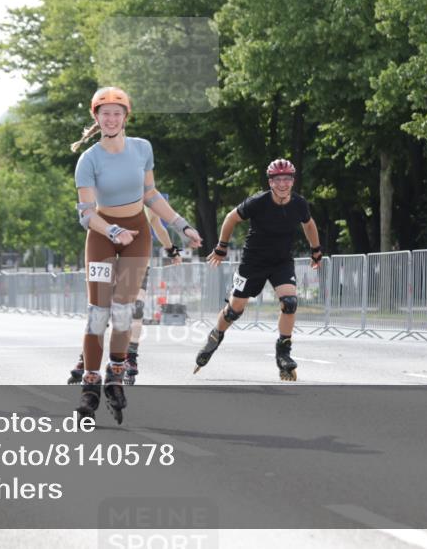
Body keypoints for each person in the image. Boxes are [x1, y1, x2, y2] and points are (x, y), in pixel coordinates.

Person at [72, 86, 202, 423]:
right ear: (96, 118)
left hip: (137, 236)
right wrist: (113, 230)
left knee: (122, 310)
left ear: (125, 117)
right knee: (97, 314)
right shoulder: (88, 159)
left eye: (117, 113)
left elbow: (150, 194)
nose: (111, 119)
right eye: (105, 113)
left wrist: (181, 226)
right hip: (103, 235)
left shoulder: (142, 148)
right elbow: (86, 214)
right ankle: (90, 384)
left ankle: (115, 375)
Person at [197, 158, 322, 381]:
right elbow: (230, 218)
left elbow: (309, 224)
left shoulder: (299, 203)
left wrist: (316, 250)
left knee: (290, 302)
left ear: (293, 181)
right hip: (253, 262)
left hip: (281, 262)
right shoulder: (258, 201)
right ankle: (216, 334)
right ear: (270, 182)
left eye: (287, 179)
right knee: (235, 310)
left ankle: (283, 351)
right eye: (278, 180)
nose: (283, 184)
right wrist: (221, 247)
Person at [67, 207, 181, 385]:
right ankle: (86, 358)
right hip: (107, 254)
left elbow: (158, 226)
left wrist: (171, 250)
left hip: (135, 259)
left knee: (135, 307)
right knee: (100, 309)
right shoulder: (105, 197)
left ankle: (131, 356)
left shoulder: (144, 199)